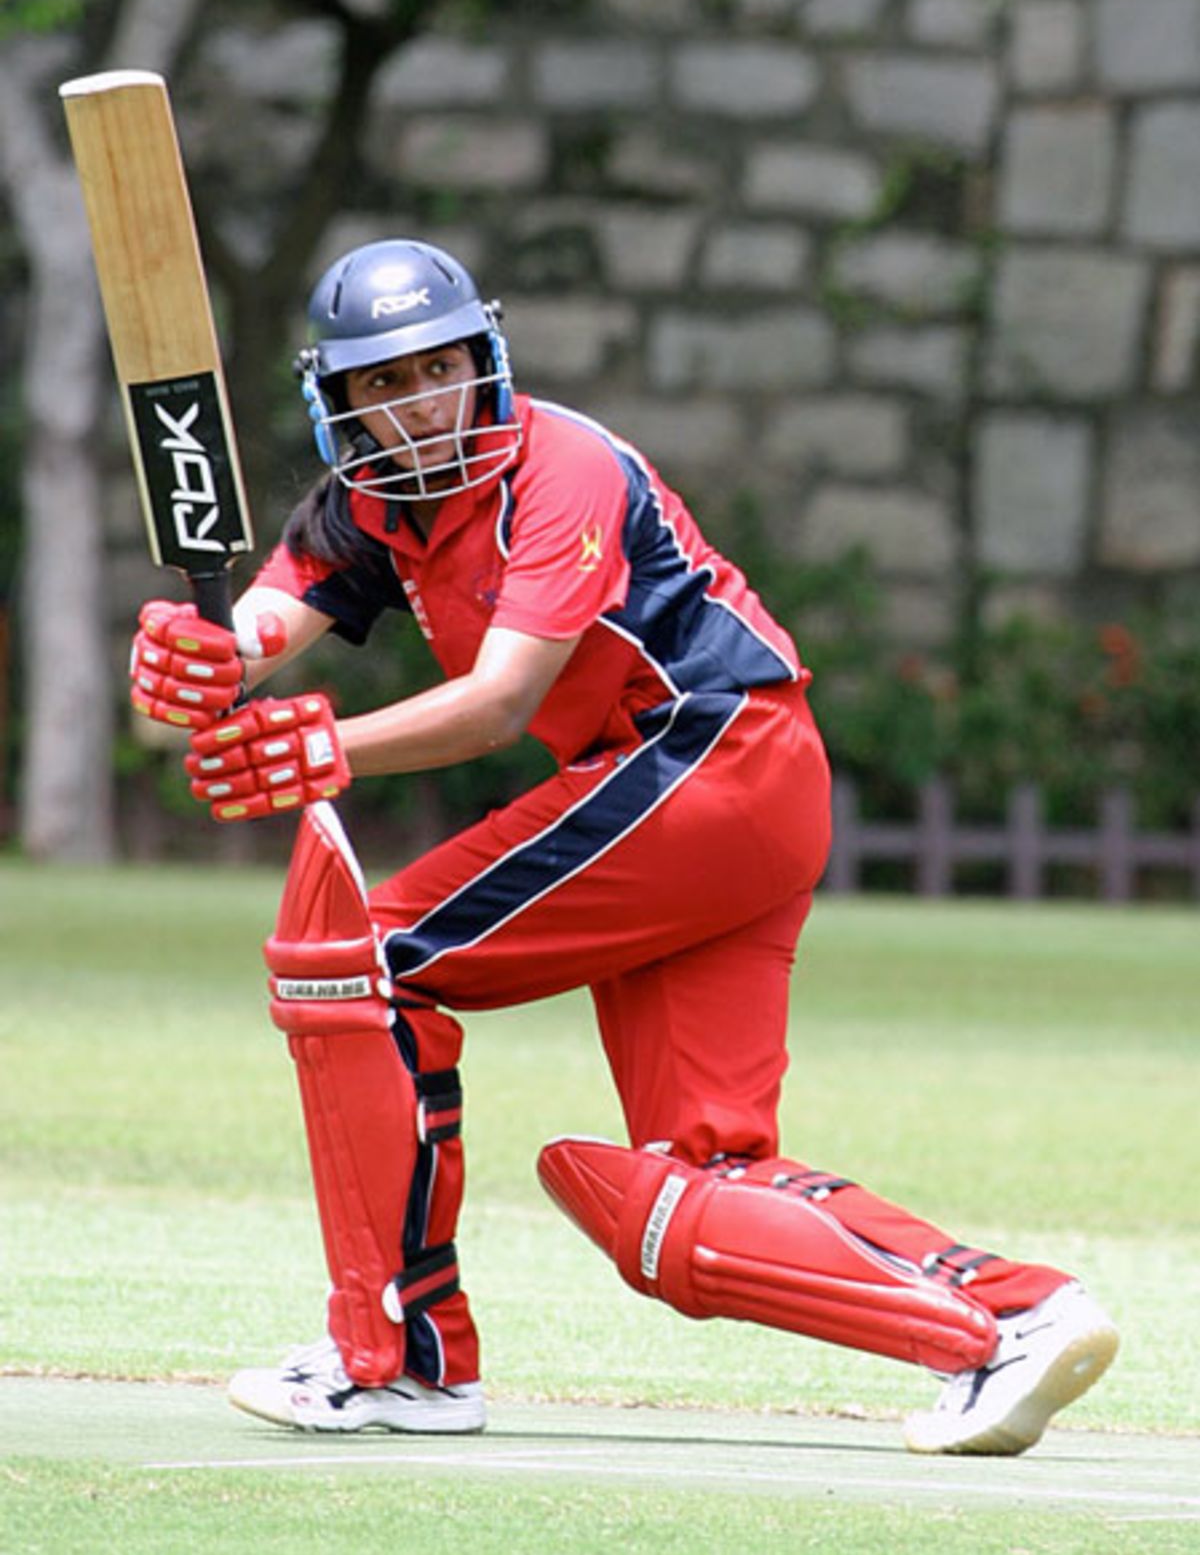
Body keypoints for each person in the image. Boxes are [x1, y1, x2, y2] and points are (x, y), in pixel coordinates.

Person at [130, 237, 1118, 1455]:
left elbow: (499, 702)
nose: (420, 404)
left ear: (483, 359)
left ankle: (397, 1360)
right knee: (696, 1189)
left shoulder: (564, 465)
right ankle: (1011, 1320)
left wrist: (323, 747)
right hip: (723, 798)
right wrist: (196, 661)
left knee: (361, 962)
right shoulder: (369, 512)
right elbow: (256, 637)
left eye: (437, 368)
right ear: (340, 401)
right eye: (384, 385)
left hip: (708, 759)